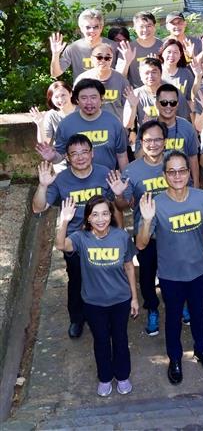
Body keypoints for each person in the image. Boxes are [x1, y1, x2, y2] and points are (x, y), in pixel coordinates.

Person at [135, 151, 203, 384]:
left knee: (200, 314)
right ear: (164, 176)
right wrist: (148, 220)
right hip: (171, 274)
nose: (178, 175)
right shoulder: (156, 205)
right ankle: (174, 359)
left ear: (188, 173)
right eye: (171, 171)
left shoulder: (201, 198)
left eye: (182, 170)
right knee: (172, 318)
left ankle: (201, 351)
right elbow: (141, 244)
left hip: (199, 270)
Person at [32, 134, 115, 338]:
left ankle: (108, 316)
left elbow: (118, 206)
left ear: (92, 153)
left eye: (84, 152)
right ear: (67, 158)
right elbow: (37, 208)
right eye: (74, 154)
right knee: (77, 280)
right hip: (74, 240)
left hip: (103, 237)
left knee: (107, 278)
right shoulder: (61, 180)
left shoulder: (105, 173)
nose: (80, 157)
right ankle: (77, 318)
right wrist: (43, 185)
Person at [55, 195, 138, 397]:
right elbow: (60, 245)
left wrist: (134, 297)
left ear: (111, 215)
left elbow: (129, 266)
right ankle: (104, 377)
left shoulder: (121, 237)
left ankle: (123, 375)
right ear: (88, 218)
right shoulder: (80, 238)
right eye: (95, 215)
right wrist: (64, 220)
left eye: (104, 213)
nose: (100, 219)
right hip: (93, 303)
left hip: (120, 300)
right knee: (100, 340)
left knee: (120, 338)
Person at [117, 120, 168, 337]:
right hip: (146, 234)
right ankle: (153, 309)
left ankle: (181, 304)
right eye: (148, 140)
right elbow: (122, 205)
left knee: (174, 274)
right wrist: (119, 194)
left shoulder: (175, 163)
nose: (153, 144)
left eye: (158, 139)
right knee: (147, 275)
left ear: (165, 141)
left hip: (174, 232)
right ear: (140, 142)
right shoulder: (132, 170)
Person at [38, 79, 128, 172]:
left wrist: (125, 180)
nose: (89, 102)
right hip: (76, 183)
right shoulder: (65, 125)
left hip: (108, 181)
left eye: (93, 97)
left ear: (101, 99)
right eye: (84, 98)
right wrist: (52, 157)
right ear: (77, 100)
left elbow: (122, 155)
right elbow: (59, 156)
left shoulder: (113, 122)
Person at [50, 8, 118, 79]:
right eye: (88, 27)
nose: (92, 30)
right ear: (81, 28)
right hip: (82, 89)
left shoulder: (113, 46)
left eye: (95, 27)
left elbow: (121, 75)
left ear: (101, 28)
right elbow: (55, 73)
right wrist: (55, 54)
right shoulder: (73, 48)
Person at [74, 43, 129, 123]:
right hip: (89, 126)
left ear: (112, 59)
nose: (103, 60)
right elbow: (76, 106)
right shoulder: (82, 79)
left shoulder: (121, 80)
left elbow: (128, 106)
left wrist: (131, 130)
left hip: (115, 126)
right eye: (99, 57)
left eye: (107, 58)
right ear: (92, 58)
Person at [116, 11, 163, 87]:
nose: (145, 30)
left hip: (160, 92)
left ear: (154, 27)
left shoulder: (163, 46)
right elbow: (119, 78)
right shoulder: (127, 49)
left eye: (149, 26)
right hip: (136, 93)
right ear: (135, 28)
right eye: (141, 26)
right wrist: (127, 62)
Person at [29, 81, 75, 149]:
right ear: (51, 99)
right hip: (62, 156)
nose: (60, 100)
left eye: (63, 95)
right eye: (56, 97)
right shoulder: (51, 115)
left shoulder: (84, 110)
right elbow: (44, 143)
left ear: (70, 94)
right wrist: (40, 124)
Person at [159, 38, 200, 105]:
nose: (171, 55)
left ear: (180, 55)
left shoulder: (186, 73)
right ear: (162, 53)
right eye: (169, 52)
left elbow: (192, 98)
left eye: (175, 52)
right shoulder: (156, 71)